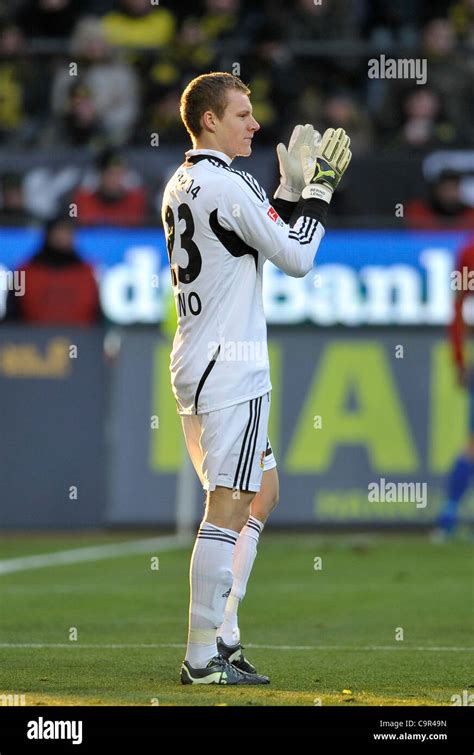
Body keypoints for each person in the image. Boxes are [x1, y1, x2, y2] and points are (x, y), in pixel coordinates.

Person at [161, 72, 351, 685]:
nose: (254, 123)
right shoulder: (230, 181)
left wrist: (286, 194)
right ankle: (201, 656)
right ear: (210, 120)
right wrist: (317, 192)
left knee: (261, 493)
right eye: (242, 113)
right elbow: (294, 256)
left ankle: (227, 633)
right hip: (231, 366)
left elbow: (246, 237)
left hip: (199, 358)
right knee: (229, 505)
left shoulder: (184, 181)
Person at [435, 236, 474, 538]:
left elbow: (460, 307)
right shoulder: (469, 252)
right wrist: (459, 358)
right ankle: (448, 515)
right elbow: (460, 306)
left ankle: (448, 514)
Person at [4, 215, 101, 324]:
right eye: (58, 231)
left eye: (68, 232)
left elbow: (96, 315)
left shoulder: (87, 272)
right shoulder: (22, 273)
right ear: (48, 235)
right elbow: (11, 316)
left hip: (81, 339)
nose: (63, 237)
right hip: (32, 339)